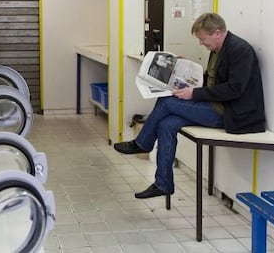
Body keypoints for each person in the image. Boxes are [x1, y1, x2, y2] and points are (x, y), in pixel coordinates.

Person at [114, 12, 266, 199]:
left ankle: (143, 143)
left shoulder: (240, 50)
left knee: (167, 102)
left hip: (232, 114)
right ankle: (163, 183)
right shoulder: (219, 49)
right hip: (217, 105)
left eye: (203, 39)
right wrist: (184, 70)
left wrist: (194, 93)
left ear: (217, 33)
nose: (201, 44)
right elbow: (212, 80)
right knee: (166, 124)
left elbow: (234, 89)